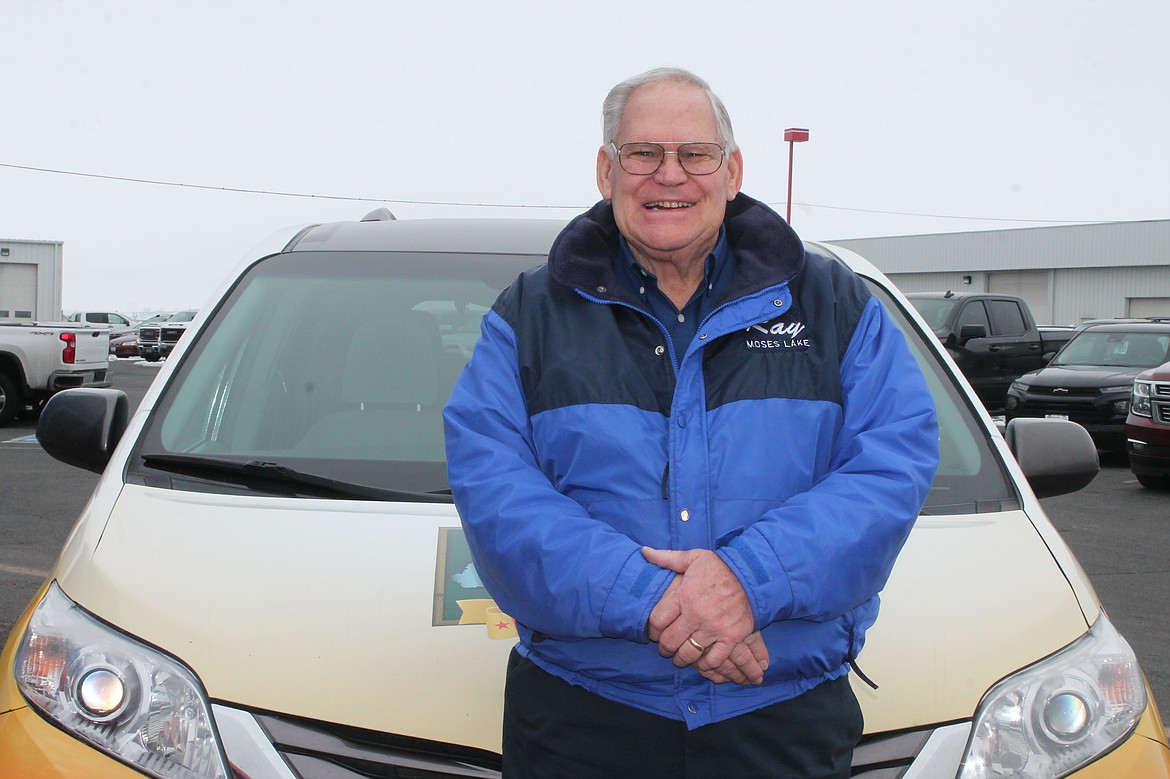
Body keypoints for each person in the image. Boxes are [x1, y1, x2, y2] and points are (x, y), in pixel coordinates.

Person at [443, 67, 939, 778]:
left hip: (780, 716)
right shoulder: (529, 315)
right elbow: (493, 489)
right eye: (642, 153)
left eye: (694, 154)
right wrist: (661, 602)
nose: (667, 175)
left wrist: (750, 578)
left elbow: (893, 463)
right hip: (581, 721)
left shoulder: (834, 303)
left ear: (731, 171)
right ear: (606, 170)